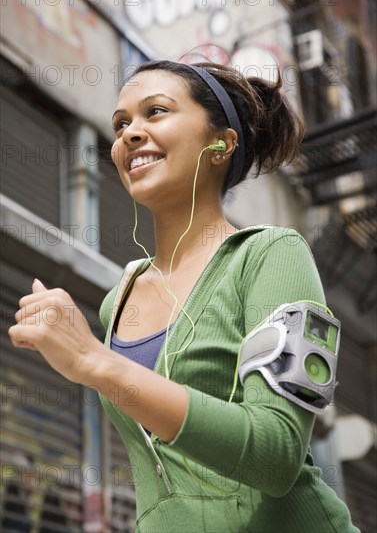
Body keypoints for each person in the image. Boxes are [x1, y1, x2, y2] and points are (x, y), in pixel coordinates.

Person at [9, 60, 360, 533]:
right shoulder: (120, 298)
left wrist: (95, 363)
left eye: (156, 112)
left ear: (221, 144)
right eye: (121, 124)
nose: (130, 133)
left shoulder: (270, 256)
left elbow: (275, 455)